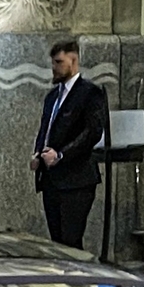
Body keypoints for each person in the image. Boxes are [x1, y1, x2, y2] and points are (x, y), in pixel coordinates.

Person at [30, 38, 107, 251]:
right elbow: (45, 129)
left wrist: (61, 155)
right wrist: (38, 153)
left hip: (76, 180)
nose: (54, 68)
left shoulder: (89, 93)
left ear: (73, 61)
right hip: (51, 180)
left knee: (70, 239)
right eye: (53, 63)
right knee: (57, 241)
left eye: (59, 62)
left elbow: (92, 132)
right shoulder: (52, 97)